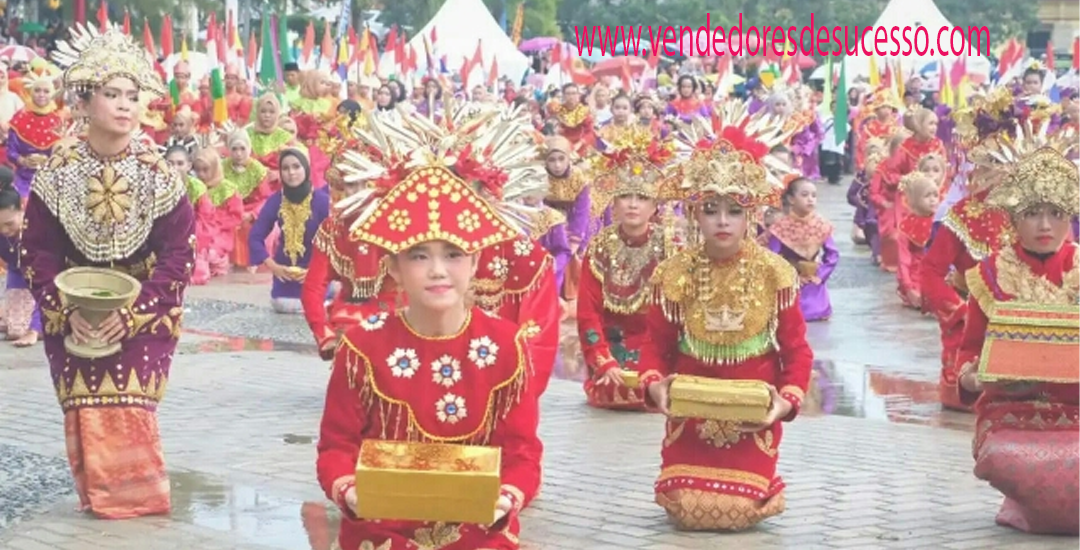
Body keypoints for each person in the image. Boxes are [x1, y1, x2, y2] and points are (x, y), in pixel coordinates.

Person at [317, 104, 544, 550]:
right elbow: (335, 446)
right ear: (394, 268)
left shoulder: (505, 346)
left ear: (476, 262)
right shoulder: (363, 346)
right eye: (420, 255)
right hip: (380, 530)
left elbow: (522, 453)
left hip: (479, 531)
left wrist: (506, 498)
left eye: (453, 254)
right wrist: (349, 491)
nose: (438, 270)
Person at [20, 25, 194, 518]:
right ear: (83, 102)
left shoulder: (160, 174)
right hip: (71, 303)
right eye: (112, 94)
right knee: (86, 407)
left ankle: (137, 504)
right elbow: (36, 250)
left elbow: (181, 253)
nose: (124, 105)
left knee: (128, 402)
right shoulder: (56, 171)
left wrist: (136, 311)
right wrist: (64, 309)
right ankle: (100, 500)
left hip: (145, 308)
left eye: (133, 96)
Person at [640, 104, 813, 531]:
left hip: (753, 416)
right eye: (710, 209)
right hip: (690, 416)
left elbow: (796, 351)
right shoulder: (674, 273)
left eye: (734, 210)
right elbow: (655, 347)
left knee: (736, 511)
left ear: (751, 214)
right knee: (688, 508)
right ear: (693, 213)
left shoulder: (777, 274)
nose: (721, 221)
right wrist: (652, 385)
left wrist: (784, 403)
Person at [955, 130, 1080, 534]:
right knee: (1018, 460)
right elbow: (970, 349)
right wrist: (970, 376)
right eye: (1032, 213)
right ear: (1012, 218)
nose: (1045, 225)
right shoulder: (989, 276)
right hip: (1012, 411)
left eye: (1056, 213)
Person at [922, 88, 1027, 411]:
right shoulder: (964, 214)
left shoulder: (1034, 213)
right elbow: (930, 272)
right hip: (972, 320)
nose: (998, 172)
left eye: (1005, 162)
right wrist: (959, 310)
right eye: (989, 163)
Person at [577, 127, 680, 409]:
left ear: (655, 206)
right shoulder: (599, 248)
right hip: (613, 351)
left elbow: (677, 315)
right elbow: (588, 313)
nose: (633, 205)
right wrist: (603, 359)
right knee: (615, 389)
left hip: (656, 349)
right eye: (626, 196)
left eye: (642, 198)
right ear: (615, 202)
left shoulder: (672, 249)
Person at [249, 148, 331, 314]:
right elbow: (255, 237)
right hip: (285, 275)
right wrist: (274, 266)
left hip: (317, 273)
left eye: (296, 166)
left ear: (306, 168)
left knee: (315, 305)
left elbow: (338, 242)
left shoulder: (322, 202)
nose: (291, 173)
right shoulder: (276, 200)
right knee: (282, 304)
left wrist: (316, 271)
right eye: (285, 168)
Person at [767, 177, 839, 321]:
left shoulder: (821, 225)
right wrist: (791, 278)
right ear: (791, 199)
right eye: (805, 195)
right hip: (790, 283)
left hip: (814, 281)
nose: (810, 199)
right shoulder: (780, 227)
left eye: (814, 195)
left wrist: (820, 275)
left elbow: (832, 254)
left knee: (817, 310)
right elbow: (772, 258)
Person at [0, 166, 40, 346]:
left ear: (21, 209)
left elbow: (49, 282)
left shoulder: (36, 232)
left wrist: (35, 330)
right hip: (18, 278)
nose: (4, 231)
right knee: (15, 330)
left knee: (30, 328)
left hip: (47, 284)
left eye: (9, 224)